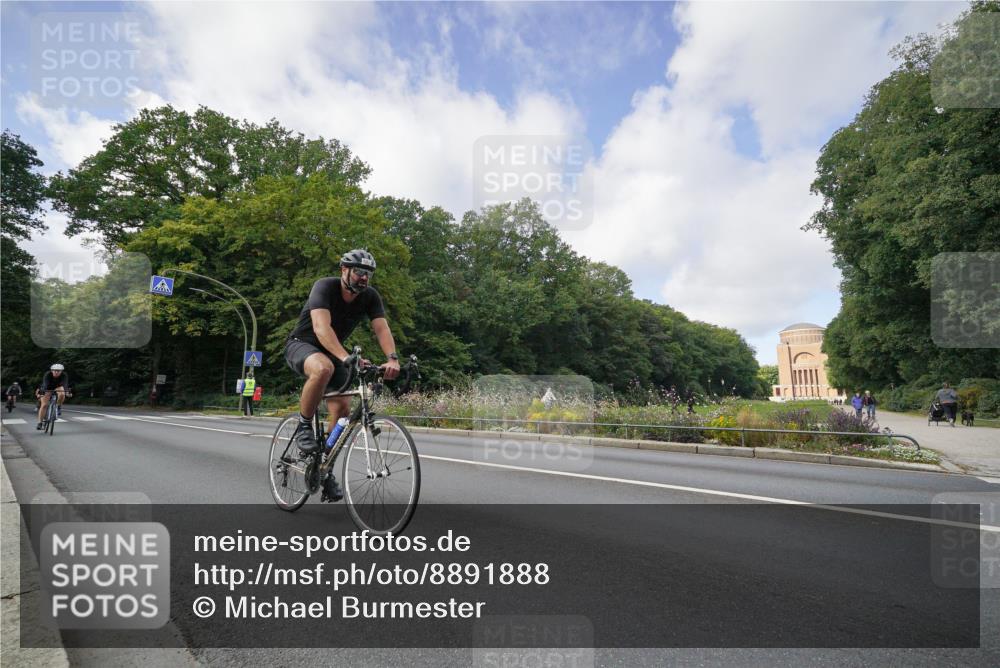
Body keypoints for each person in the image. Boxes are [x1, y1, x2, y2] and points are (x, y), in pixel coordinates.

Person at [283, 249, 401, 501]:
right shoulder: (324, 287)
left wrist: (392, 359)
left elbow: (382, 328)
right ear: (344, 270)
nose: (364, 278)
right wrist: (346, 357)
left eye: (368, 274)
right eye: (359, 272)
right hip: (302, 345)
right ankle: (304, 425)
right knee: (322, 367)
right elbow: (320, 328)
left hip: (335, 353)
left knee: (343, 412)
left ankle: (324, 468)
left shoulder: (370, 297)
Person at [37, 364, 70, 430]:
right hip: (47, 388)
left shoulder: (64, 375)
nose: (56, 372)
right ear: (51, 371)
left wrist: (67, 392)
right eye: (54, 371)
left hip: (58, 387)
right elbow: (45, 384)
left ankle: (58, 406)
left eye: (58, 371)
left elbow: (65, 384)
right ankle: (40, 423)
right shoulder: (48, 374)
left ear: (61, 371)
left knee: (62, 393)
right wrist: (42, 392)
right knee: (44, 405)